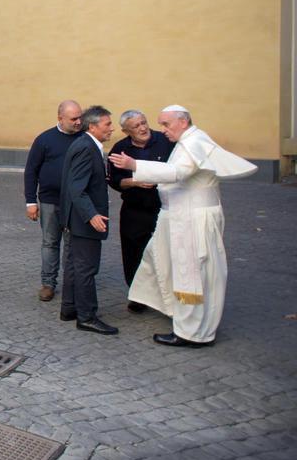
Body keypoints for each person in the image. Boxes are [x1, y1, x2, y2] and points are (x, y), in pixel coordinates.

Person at [109, 105, 256, 347]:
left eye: (166, 124)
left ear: (183, 122)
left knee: (192, 275)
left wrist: (135, 166)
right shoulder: (188, 140)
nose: (161, 130)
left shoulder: (193, 142)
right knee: (156, 259)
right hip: (179, 217)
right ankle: (177, 314)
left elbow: (178, 172)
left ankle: (191, 333)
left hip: (190, 220)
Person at [107, 110, 174, 312]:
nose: (143, 128)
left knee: (166, 251)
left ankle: (167, 295)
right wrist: (133, 182)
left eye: (144, 123)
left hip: (164, 206)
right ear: (126, 131)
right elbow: (114, 180)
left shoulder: (165, 141)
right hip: (135, 209)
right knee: (133, 252)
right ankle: (137, 295)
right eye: (136, 126)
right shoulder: (120, 149)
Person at [59, 105, 117, 335]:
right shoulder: (86, 147)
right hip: (84, 219)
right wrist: (91, 214)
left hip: (78, 218)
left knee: (75, 264)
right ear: (92, 126)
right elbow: (76, 187)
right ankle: (87, 316)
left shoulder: (85, 144)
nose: (112, 129)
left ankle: (70, 308)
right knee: (86, 268)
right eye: (108, 124)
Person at [24, 100, 83, 301]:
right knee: (50, 243)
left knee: (72, 244)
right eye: (73, 118)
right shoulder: (44, 140)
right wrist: (30, 202)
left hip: (75, 202)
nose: (78, 122)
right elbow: (31, 171)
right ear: (60, 118)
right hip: (49, 200)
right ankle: (48, 283)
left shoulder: (84, 138)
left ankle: (71, 283)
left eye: (79, 117)